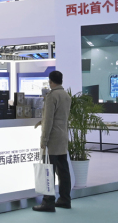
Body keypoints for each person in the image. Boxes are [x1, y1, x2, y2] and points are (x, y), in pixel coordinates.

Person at [33, 70, 72, 212]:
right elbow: (60, 116)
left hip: (52, 138)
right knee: (63, 171)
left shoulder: (51, 96)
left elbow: (49, 119)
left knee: (48, 171)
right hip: (62, 136)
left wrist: (44, 139)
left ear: (50, 81)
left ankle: (48, 202)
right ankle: (65, 199)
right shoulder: (66, 95)